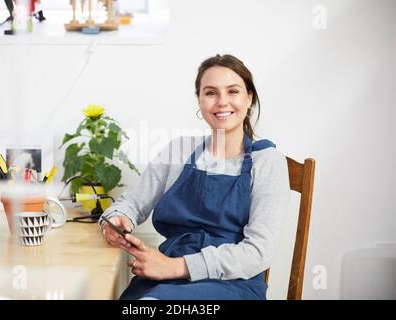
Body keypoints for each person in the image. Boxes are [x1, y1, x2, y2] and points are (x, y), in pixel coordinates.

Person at [100, 54, 291, 300]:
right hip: (163, 278)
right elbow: (131, 203)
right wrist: (116, 220)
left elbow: (258, 253)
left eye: (233, 91)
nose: (222, 102)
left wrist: (177, 267)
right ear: (199, 101)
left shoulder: (267, 161)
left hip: (232, 283)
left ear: (249, 98)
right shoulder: (178, 151)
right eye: (211, 93)